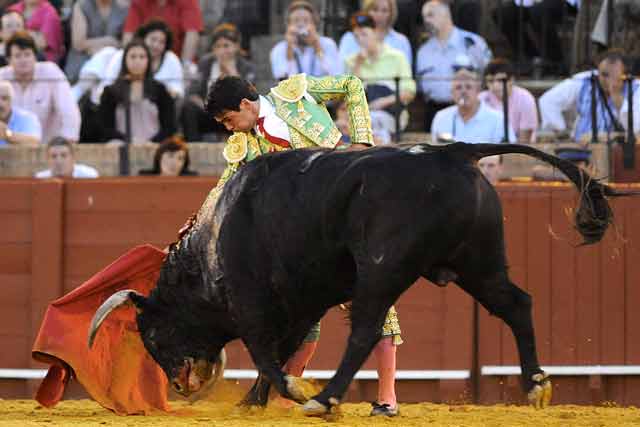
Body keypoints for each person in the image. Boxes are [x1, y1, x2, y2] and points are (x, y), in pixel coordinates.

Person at [206, 74, 401, 416]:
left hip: (347, 212)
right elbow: (225, 189)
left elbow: (352, 85)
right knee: (301, 314)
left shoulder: (296, 94)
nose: (229, 128)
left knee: (377, 305)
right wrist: (201, 222)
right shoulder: (245, 147)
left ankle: (387, 398)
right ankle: (287, 395)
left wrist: (363, 142)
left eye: (228, 119)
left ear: (245, 105)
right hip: (303, 237)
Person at [416, 0, 492, 130]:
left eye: (430, 15)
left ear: (445, 15)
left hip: (468, 109)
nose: (426, 21)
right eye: (424, 17)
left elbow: (489, 75)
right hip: (433, 111)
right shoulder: (423, 51)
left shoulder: (472, 43)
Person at [539, 49, 640, 143]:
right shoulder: (586, 80)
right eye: (604, 74)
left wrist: (617, 96)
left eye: (614, 75)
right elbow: (548, 101)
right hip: (579, 146)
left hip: (617, 152)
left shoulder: (635, 88)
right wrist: (561, 133)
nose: (607, 80)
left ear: (624, 75)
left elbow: (636, 129)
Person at [0, 31, 80, 143]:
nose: (23, 60)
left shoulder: (51, 72)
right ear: (8, 60)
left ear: (35, 56)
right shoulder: (2, 77)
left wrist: (68, 143)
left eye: (27, 54)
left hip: (49, 151)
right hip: (11, 150)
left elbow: (68, 111)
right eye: (18, 56)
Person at [181, 22, 256, 142]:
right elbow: (192, 92)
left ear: (236, 46)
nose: (222, 51)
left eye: (226, 46)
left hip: (233, 113)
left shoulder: (246, 67)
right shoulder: (206, 63)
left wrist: (233, 72)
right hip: (207, 111)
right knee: (188, 108)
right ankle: (193, 146)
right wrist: (205, 105)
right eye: (218, 46)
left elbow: (250, 97)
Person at [344, 12, 415, 136]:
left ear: (376, 33)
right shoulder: (351, 61)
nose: (361, 40)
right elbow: (349, 97)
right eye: (356, 36)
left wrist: (383, 102)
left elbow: (408, 92)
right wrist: (358, 65)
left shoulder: (397, 57)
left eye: (364, 34)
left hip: (392, 115)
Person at [97, 38, 176, 144]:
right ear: (125, 60)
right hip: (121, 145)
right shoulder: (110, 92)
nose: (137, 61)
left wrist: (151, 142)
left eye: (142, 57)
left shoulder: (160, 90)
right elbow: (106, 128)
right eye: (133, 57)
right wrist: (129, 140)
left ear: (148, 60)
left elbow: (169, 127)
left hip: (154, 145)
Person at [431, 65, 515, 144]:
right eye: (458, 87)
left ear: (478, 90)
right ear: (452, 93)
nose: (463, 91)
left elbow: (510, 154)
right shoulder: (441, 117)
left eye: (468, 87)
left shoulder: (498, 119)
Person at [270, 0, 342, 80]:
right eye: (296, 20)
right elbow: (281, 77)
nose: (301, 25)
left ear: (314, 24)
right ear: (288, 25)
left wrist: (317, 46)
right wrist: (289, 50)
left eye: (306, 20)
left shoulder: (328, 44)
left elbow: (336, 74)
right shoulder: (279, 49)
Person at [121, 0, 203, 66]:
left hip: (177, 60)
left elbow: (192, 33)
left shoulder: (188, 2)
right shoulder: (138, 2)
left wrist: (185, 65)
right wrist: (128, 61)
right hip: (143, 60)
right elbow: (129, 33)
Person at [64, 0, 128, 82]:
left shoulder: (124, 7)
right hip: (83, 58)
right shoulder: (82, 5)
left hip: (112, 60)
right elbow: (78, 44)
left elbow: (126, 43)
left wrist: (103, 50)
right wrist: (109, 41)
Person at [338, 0, 413, 68]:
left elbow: (405, 74)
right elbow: (341, 70)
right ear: (366, 11)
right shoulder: (350, 38)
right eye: (375, 9)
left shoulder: (401, 41)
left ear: (391, 14)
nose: (379, 15)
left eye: (384, 11)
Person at [479, 58, 538, 143]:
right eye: (490, 81)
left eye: (500, 80)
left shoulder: (525, 99)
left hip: (518, 150)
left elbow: (525, 141)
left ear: (512, 80)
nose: (495, 85)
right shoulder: (481, 99)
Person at [0, 79, 41, 146]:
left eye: (5, 98)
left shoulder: (27, 118)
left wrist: (7, 134)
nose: (0, 104)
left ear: (12, 100)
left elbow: (35, 143)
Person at [34, 136, 99, 178]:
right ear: (47, 159)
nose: (58, 161)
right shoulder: (40, 179)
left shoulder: (88, 176)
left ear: (73, 158)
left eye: (64, 155)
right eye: (53, 156)